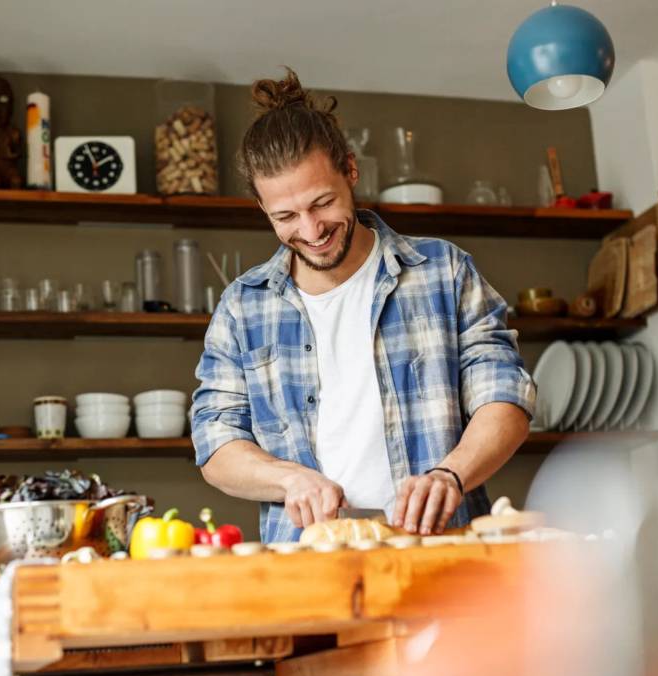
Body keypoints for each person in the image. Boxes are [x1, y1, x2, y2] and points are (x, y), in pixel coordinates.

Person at [191, 67, 534, 549]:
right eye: (285, 216)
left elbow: (506, 397)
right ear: (262, 208)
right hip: (305, 560)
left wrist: (450, 474)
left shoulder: (443, 271)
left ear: (351, 171)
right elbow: (215, 443)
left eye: (323, 203)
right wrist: (288, 478)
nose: (310, 230)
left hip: (439, 550)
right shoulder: (242, 308)